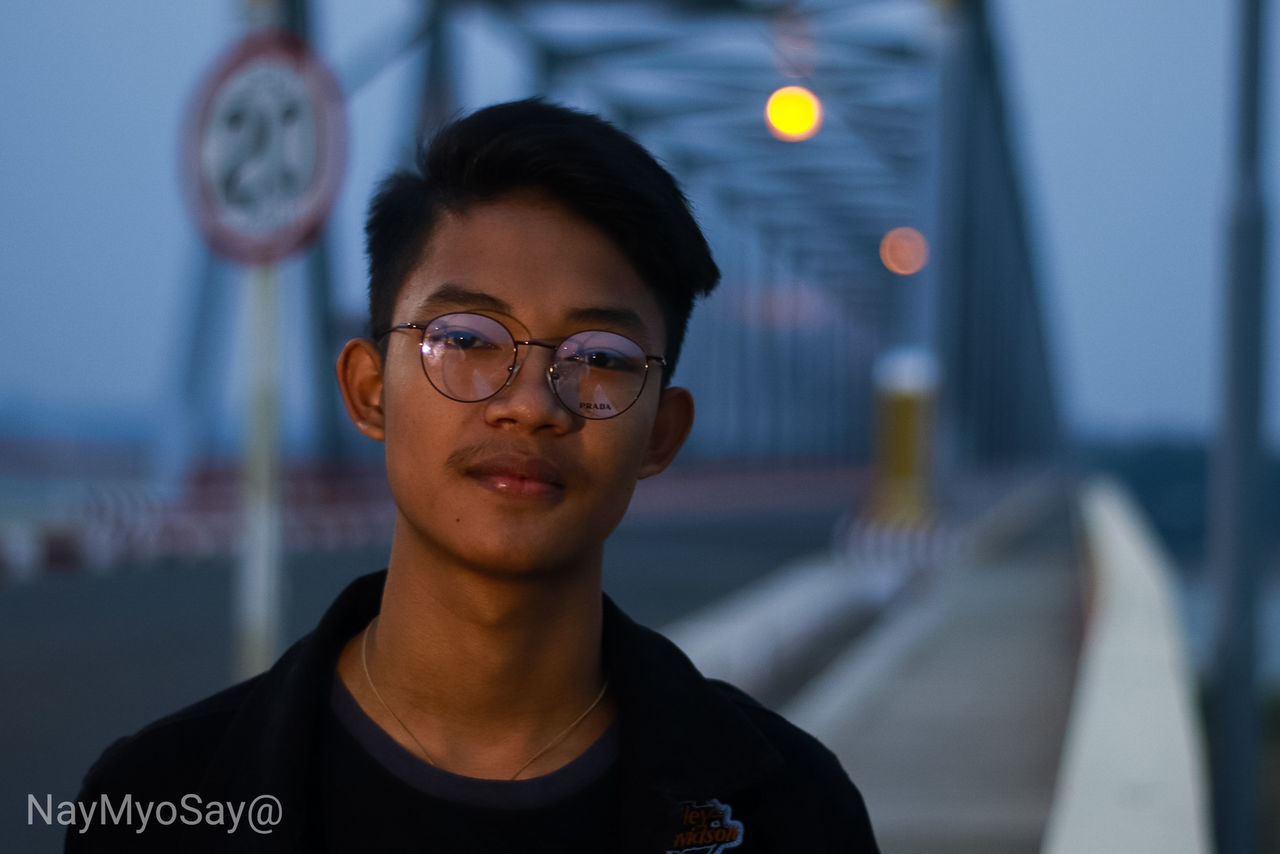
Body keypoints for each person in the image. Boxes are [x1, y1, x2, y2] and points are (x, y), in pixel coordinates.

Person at [68, 98, 879, 852]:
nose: (530, 406)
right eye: (464, 339)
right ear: (367, 389)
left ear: (661, 434)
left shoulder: (793, 816)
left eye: (599, 357)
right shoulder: (152, 806)